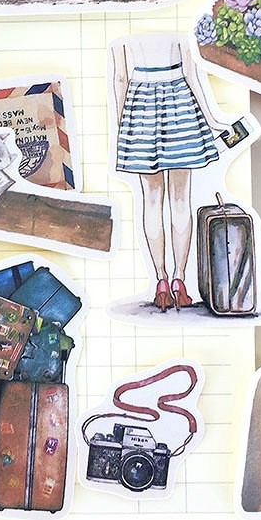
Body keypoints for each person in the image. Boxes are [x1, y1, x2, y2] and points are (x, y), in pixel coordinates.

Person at [111, 34, 225, 312]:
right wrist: (212, 120)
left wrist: (123, 126)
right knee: (180, 200)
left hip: (140, 106)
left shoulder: (123, 34)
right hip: (179, 102)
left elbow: (120, 78)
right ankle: (179, 280)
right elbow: (191, 75)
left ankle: (160, 281)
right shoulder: (178, 30)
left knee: (151, 200)